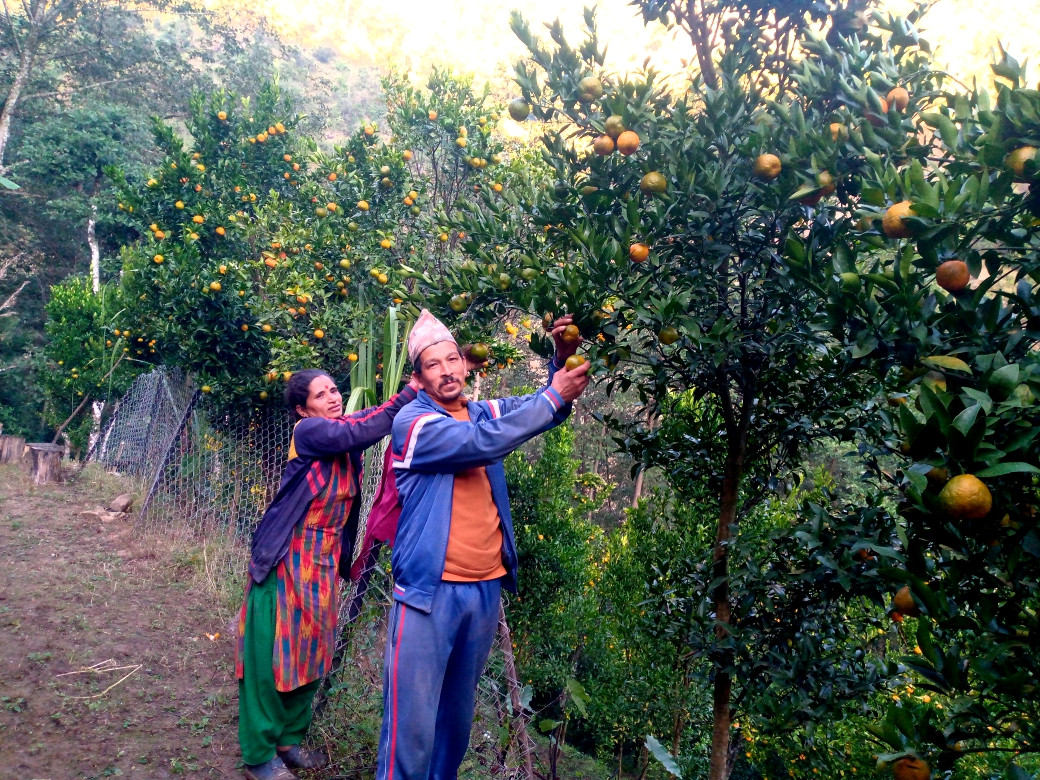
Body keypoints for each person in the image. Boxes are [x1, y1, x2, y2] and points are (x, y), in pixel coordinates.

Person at [375, 309, 591, 780]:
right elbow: (480, 443)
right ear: (418, 377)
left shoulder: (480, 410)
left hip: (483, 591)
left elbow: (540, 409)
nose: (448, 370)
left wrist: (561, 357)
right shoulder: (413, 425)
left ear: (466, 365)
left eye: (453, 359)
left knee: (455, 720)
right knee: (410, 725)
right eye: (434, 365)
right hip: (428, 595)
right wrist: (553, 396)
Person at [236, 368, 420, 780]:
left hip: (321, 568)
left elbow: (364, 421)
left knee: (311, 655)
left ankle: (288, 741)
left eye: (334, 390)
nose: (334, 398)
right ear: (303, 409)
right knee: (271, 660)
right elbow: (359, 430)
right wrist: (409, 392)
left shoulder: (342, 432)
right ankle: (258, 757)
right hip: (285, 561)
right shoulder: (310, 433)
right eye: (322, 395)